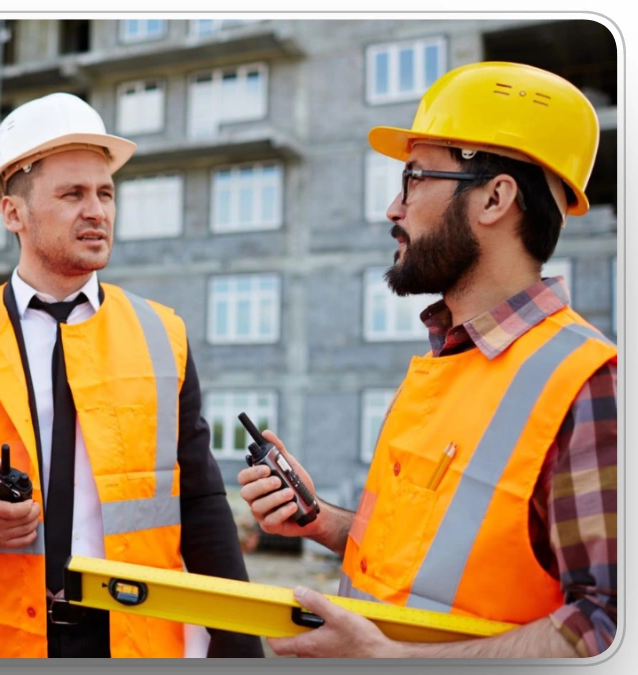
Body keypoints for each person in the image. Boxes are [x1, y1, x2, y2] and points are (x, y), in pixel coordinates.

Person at [238, 61, 616, 658]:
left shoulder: (587, 381)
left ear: (495, 197)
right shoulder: (446, 361)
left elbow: (611, 627)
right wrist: (322, 523)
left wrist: (394, 661)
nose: (394, 207)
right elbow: (433, 567)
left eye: (414, 177)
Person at [0, 93, 263, 659]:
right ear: (13, 212)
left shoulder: (162, 335)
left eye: (105, 193)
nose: (97, 211)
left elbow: (201, 501)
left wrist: (239, 644)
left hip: (132, 637)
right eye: (72, 194)